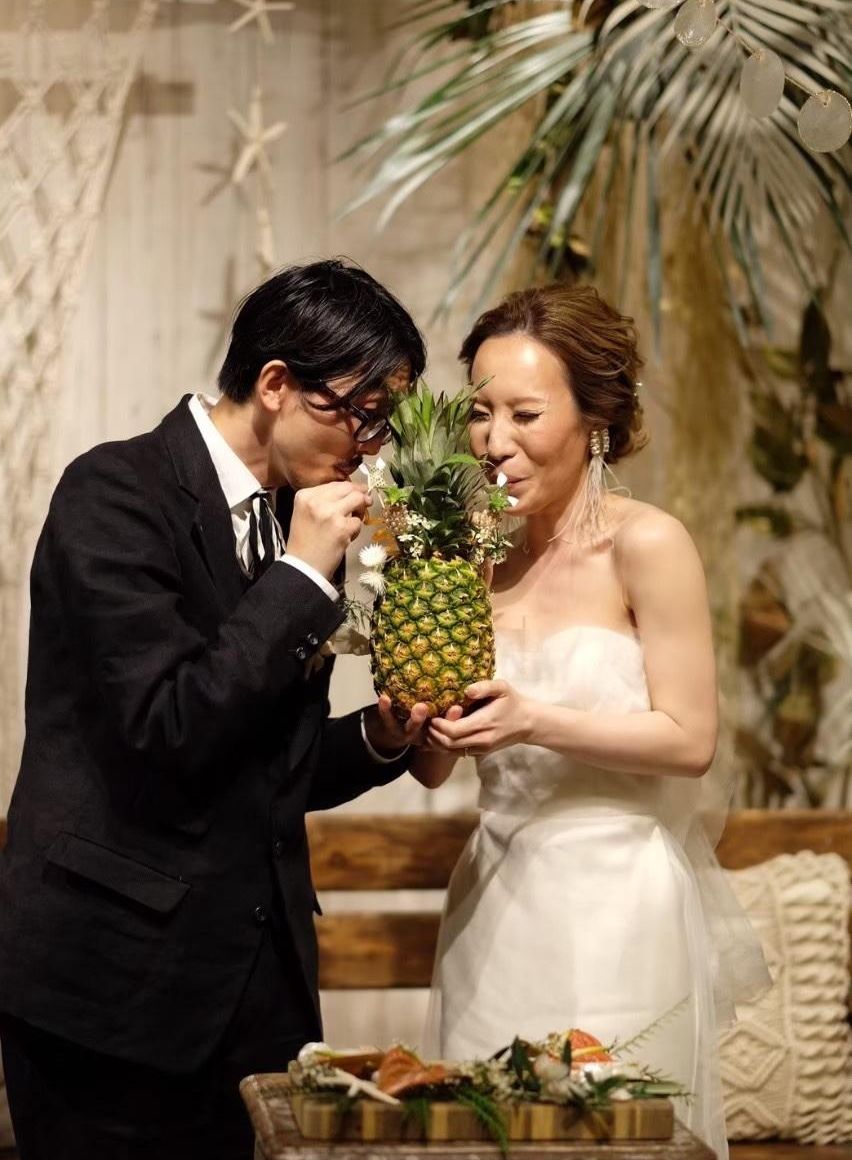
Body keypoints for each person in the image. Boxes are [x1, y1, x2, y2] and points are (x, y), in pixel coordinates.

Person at [0, 259, 431, 1160]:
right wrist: (302, 576)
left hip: (258, 996)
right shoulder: (115, 492)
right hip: (111, 998)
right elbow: (170, 728)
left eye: (382, 423)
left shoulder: (287, 519)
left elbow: (261, 766)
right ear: (276, 384)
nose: (369, 447)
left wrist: (379, 737)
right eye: (360, 413)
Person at [411, 283, 769, 1158]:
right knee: (482, 1136)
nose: (495, 442)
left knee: (613, 1136)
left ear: (595, 418)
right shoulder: (473, 559)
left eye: (526, 414)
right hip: (494, 899)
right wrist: (418, 718)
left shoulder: (647, 544)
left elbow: (689, 740)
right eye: (480, 413)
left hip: (617, 904)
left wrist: (534, 719)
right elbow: (432, 770)